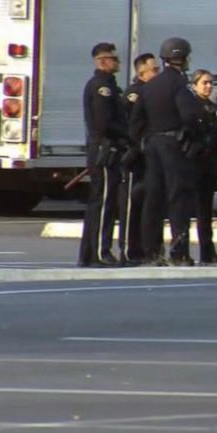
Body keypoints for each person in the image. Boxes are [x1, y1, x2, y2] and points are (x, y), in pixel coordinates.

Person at [130, 37, 201, 265]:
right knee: (178, 197)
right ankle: (179, 252)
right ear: (184, 58)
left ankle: (152, 252)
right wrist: (190, 135)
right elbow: (189, 116)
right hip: (173, 145)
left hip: (152, 145)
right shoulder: (179, 84)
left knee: (153, 199)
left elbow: (135, 121)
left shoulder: (150, 85)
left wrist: (141, 142)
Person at [79, 42, 129, 268]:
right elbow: (104, 123)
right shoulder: (102, 88)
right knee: (105, 203)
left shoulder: (107, 85)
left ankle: (88, 254)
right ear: (102, 61)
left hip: (103, 150)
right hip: (105, 150)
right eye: (114, 59)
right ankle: (101, 252)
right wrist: (128, 136)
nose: (117, 62)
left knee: (99, 202)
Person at [117, 53, 159, 264]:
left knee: (147, 205)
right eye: (154, 70)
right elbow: (130, 127)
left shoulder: (150, 93)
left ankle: (144, 248)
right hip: (135, 158)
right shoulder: (135, 95)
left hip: (149, 157)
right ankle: (128, 250)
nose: (157, 73)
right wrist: (133, 149)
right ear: (142, 74)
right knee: (131, 205)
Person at [190, 69, 217, 263]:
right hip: (194, 162)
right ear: (195, 85)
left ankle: (207, 251)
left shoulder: (213, 107)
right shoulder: (191, 106)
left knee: (205, 210)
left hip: (208, 164)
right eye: (204, 83)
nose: (209, 86)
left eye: (211, 83)